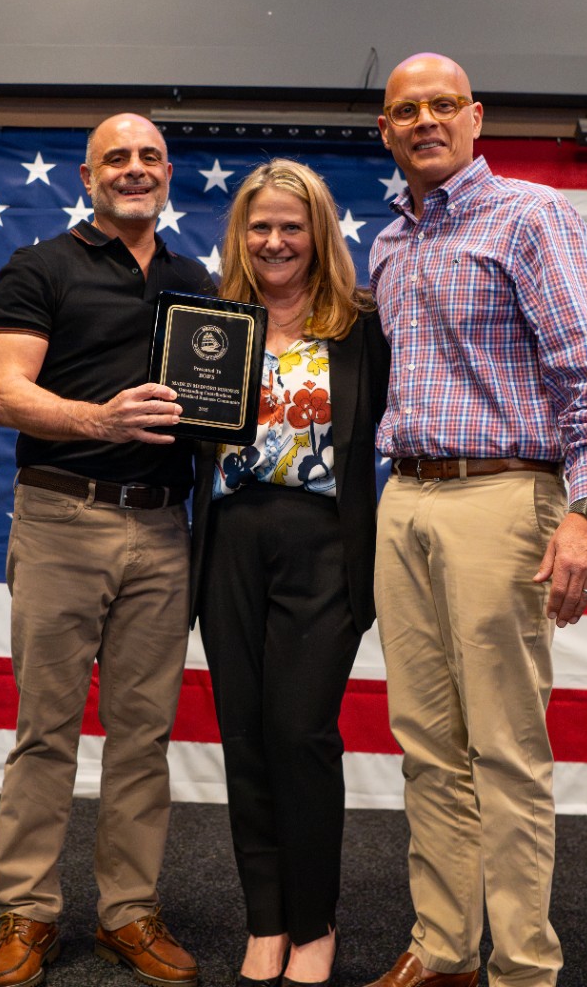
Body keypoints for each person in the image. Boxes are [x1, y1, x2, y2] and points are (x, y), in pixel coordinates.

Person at [364, 54, 587, 987]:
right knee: (425, 746)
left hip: (504, 495)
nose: (424, 121)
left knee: (505, 752)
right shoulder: (387, 244)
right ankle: (444, 949)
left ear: (476, 117)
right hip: (403, 497)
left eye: (443, 104)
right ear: (386, 131)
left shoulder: (531, 215)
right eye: (405, 110)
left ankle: (523, 968)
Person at [0, 113, 216, 987]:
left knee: (143, 735)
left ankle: (128, 912)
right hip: (60, 518)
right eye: (116, 157)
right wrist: (99, 419)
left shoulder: (199, 282)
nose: (133, 168)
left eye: (149, 156)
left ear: (167, 174)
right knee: (44, 730)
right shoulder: (40, 266)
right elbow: (7, 392)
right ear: (88, 176)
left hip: (164, 527)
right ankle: (27, 911)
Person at [190, 159, 389, 987]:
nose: (274, 241)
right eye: (259, 226)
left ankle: (313, 922)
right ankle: (265, 920)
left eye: (291, 226)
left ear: (319, 233)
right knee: (243, 736)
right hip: (230, 541)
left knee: (299, 735)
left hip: (324, 546)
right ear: (240, 234)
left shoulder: (363, 326)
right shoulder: (209, 321)